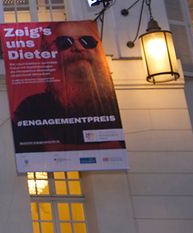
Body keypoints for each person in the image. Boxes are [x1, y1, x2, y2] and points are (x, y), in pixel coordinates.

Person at [11, 21, 123, 151]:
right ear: (47, 56)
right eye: (64, 42)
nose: (79, 47)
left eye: (87, 41)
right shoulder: (31, 107)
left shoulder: (113, 103)